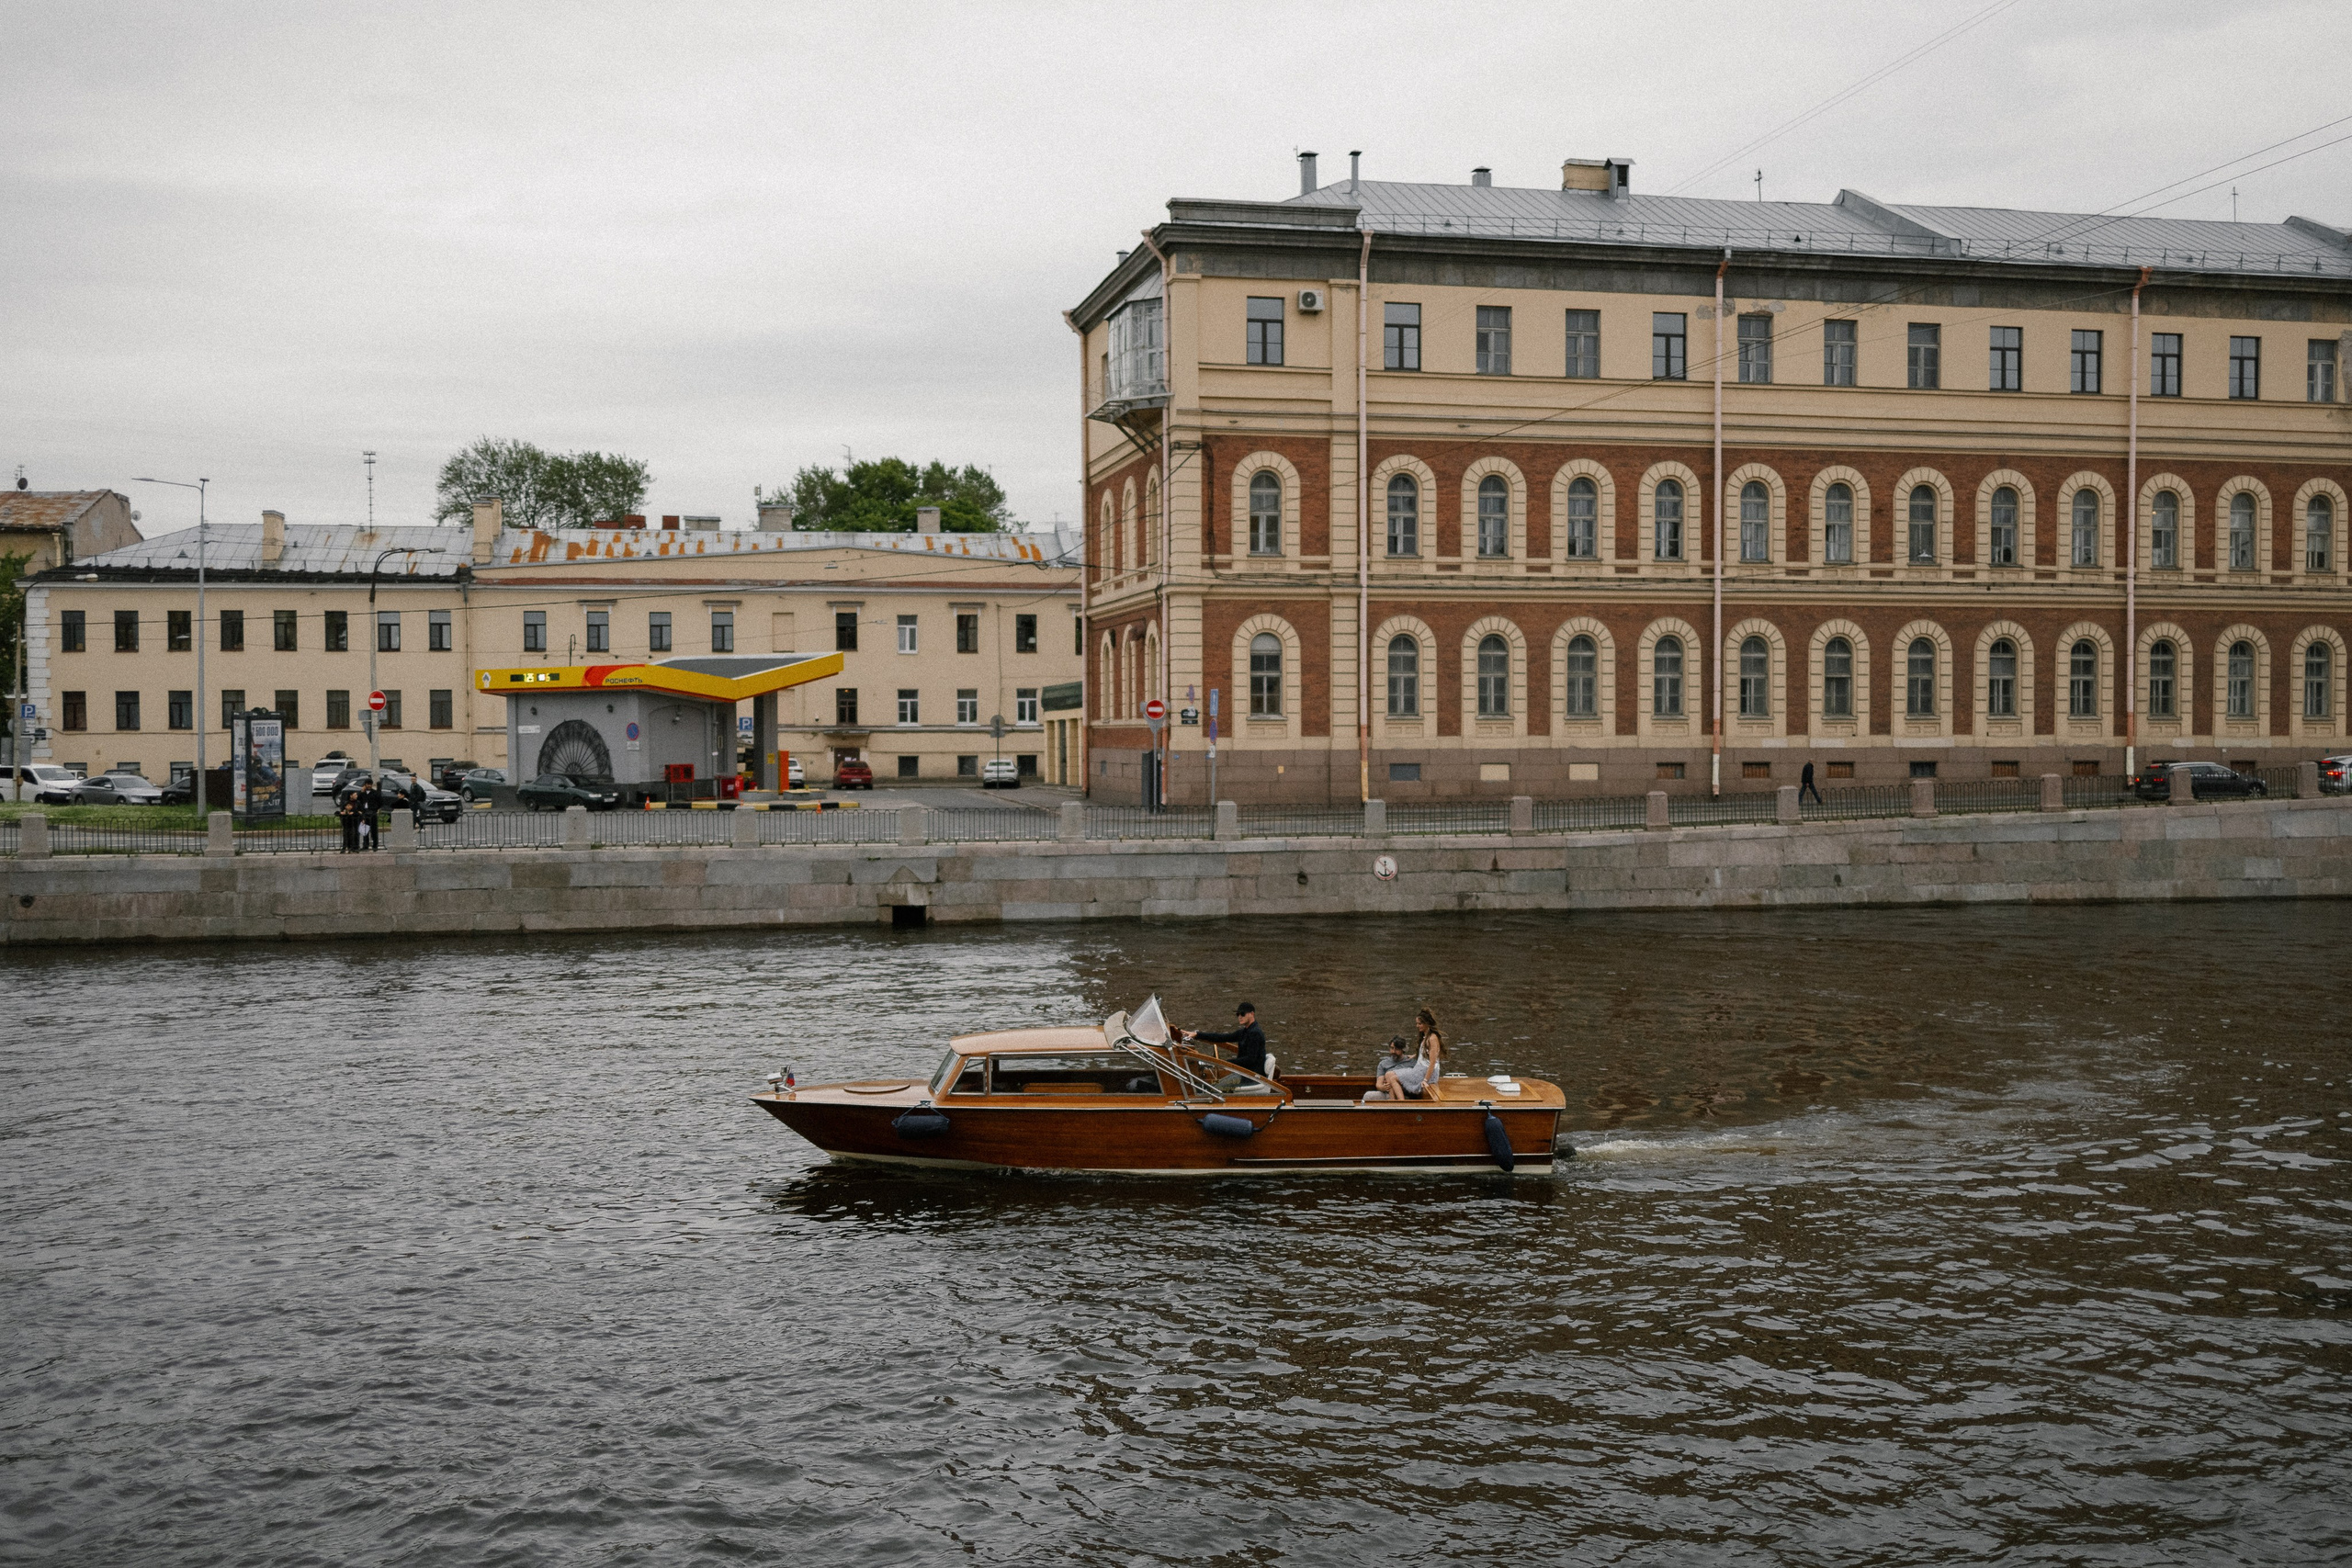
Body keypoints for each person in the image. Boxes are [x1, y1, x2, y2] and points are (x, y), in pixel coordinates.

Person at [1367, 1008, 1443, 1103]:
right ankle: (1393, 1102)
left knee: (1393, 1078)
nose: (1417, 1026)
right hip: (1420, 1069)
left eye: (1419, 1023)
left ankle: (1402, 1103)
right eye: (1417, 1023)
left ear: (1427, 1023)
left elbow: (1432, 1062)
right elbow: (1425, 1054)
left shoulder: (1432, 1038)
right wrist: (1415, 1056)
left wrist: (1425, 1080)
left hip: (1424, 1073)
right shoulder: (1426, 1036)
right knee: (1388, 1074)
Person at [1183, 1002, 1268, 1089]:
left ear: (1252, 1014)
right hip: (1243, 1073)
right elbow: (1221, 1037)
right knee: (1211, 1086)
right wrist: (1197, 1034)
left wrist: (1227, 1063)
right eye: (1238, 1014)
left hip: (1251, 1077)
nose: (1240, 1016)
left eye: (1242, 1014)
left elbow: (1251, 1059)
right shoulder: (1244, 1032)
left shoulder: (1255, 1033)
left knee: (1214, 1089)